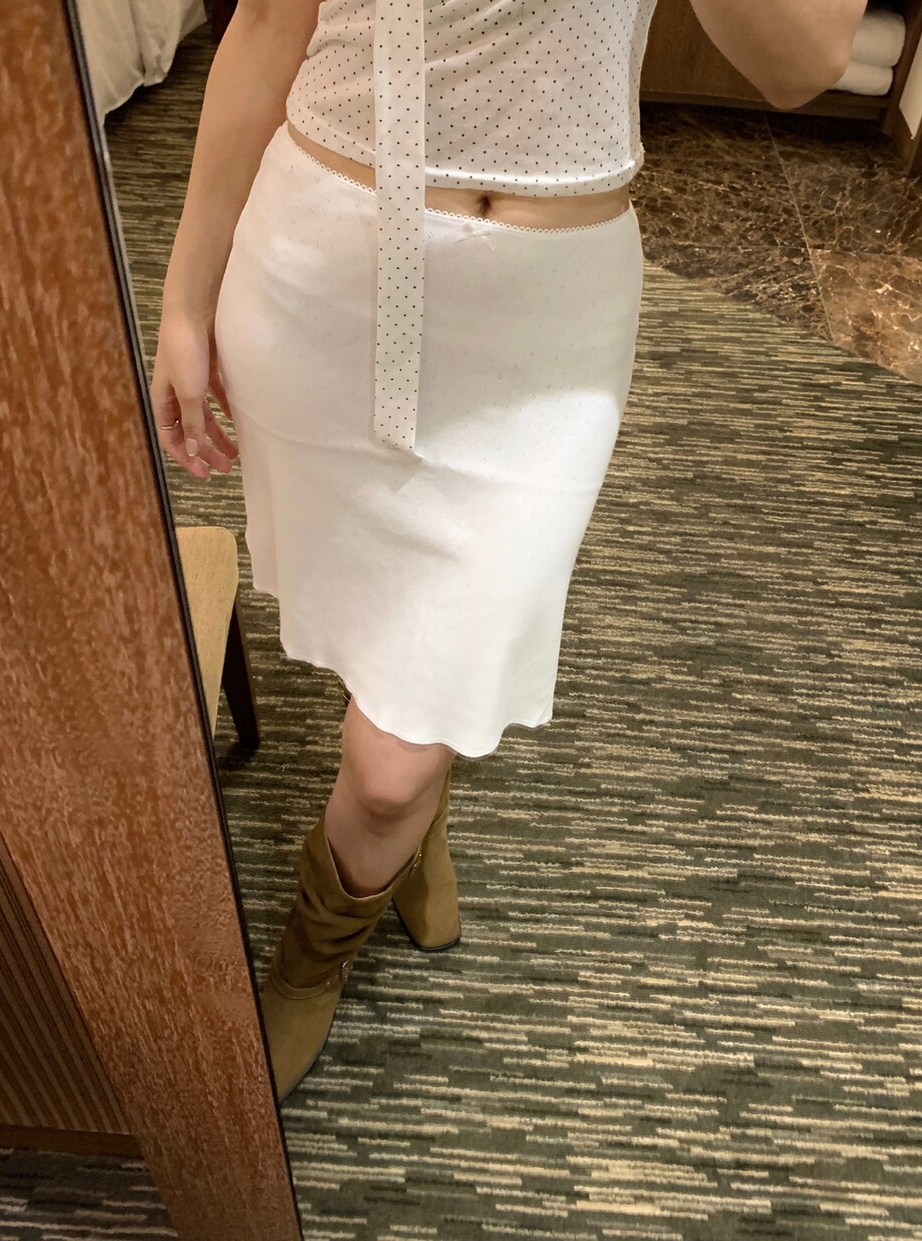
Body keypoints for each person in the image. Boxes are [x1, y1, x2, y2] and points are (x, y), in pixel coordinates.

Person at [149, 0, 866, 1104]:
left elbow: (802, 62)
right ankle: (417, 802)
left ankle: (315, 949)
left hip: (543, 327)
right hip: (317, 267)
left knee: (389, 762)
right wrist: (185, 296)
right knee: (388, 648)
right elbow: (269, 25)